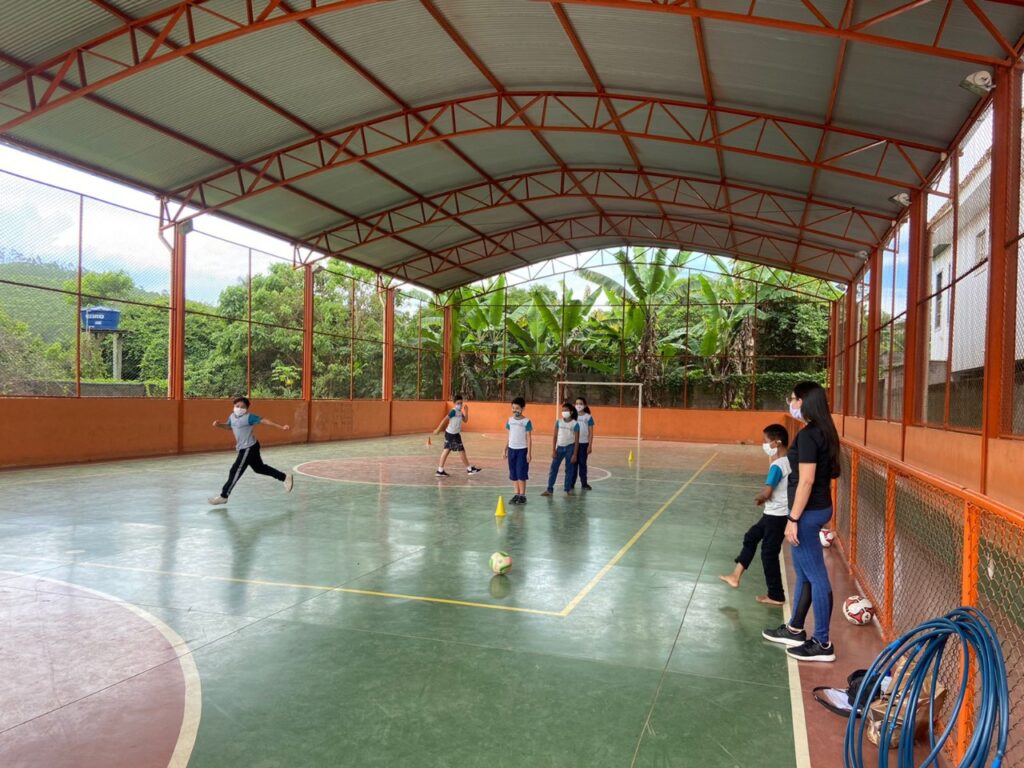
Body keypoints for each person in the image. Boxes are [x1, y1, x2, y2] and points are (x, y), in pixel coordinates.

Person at [762, 381, 842, 663]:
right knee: (805, 572)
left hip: (807, 514)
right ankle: (796, 628)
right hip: (818, 508)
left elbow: (806, 480)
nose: (791, 403)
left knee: (816, 576)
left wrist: (793, 519)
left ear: (806, 403)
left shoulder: (809, 436)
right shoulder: (824, 431)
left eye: (794, 399)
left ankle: (822, 643)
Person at [719, 424, 791, 605]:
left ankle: (776, 595)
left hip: (776, 515)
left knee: (768, 553)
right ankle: (735, 575)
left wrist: (760, 498)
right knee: (751, 537)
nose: (764, 445)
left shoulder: (777, 466)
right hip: (775, 514)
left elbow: (767, 492)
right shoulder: (789, 460)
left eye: (766, 441)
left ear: (776, 442)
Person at [208, 396, 293, 505]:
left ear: (246, 409)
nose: (239, 408)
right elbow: (230, 427)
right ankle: (285, 477)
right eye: (237, 406)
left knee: (235, 470)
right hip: (248, 447)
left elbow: (264, 421)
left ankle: (224, 496)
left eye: (242, 407)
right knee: (259, 468)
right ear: (234, 406)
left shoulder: (249, 417)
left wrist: (281, 427)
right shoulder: (232, 417)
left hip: (248, 448)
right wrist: (219, 425)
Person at [433, 394, 481, 477]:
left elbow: (465, 420)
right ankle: (469, 469)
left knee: (448, 450)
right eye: (458, 403)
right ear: (454, 403)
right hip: (451, 434)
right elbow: (445, 419)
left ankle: (440, 470)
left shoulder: (460, 412)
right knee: (460, 451)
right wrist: (438, 429)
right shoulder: (453, 411)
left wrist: (466, 411)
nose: (460, 405)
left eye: (461, 403)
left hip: (455, 434)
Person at [541, 402, 579, 497]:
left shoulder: (575, 424)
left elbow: (577, 441)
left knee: (569, 469)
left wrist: (575, 454)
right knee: (553, 468)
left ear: (571, 412)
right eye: (563, 410)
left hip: (570, 448)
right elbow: (554, 436)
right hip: (559, 448)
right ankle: (549, 489)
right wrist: (553, 450)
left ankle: (568, 489)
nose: (564, 412)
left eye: (566, 410)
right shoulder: (558, 422)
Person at [504, 397, 533, 504]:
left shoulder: (526, 422)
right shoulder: (510, 420)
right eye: (513, 408)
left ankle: (522, 495)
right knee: (514, 473)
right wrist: (505, 449)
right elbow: (509, 436)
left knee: (521, 473)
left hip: (522, 450)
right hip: (512, 450)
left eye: (517, 408)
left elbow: (529, 438)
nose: (515, 410)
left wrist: (529, 453)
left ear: (523, 408)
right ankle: (516, 494)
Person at [572, 396, 595, 491]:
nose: (578, 405)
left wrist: (590, 445)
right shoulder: (572, 416)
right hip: (573, 444)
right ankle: (570, 483)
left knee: (582, 464)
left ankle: (584, 484)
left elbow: (591, 433)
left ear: (584, 405)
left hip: (584, 444)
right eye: (576, 403)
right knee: (573, 465)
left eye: (580, 404)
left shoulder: (588, 417)